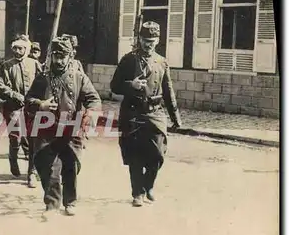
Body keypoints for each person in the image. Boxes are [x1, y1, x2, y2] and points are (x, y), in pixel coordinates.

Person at [25, 36, 101, 217]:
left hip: (71, 129)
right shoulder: (42, 78)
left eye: (62, 56)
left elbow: (94, 99)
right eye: (55, 56)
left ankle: (70, 202)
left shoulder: (79, 78)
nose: (58, 61)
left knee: (70, 166)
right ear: (51, 56)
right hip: (46, 130)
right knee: (48, 168)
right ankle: (52, 204)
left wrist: (90, 113)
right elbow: (28, 101)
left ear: (70, 57)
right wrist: (40, 104)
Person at [109, 21, 182, 207]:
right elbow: (114, 86)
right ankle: (137, 193)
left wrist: (176, 118)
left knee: (158, 154)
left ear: (158, 40)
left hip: (155, 113)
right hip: (132, 112)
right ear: (139, 39)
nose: (148, 43)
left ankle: (148, 184)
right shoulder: (128, 59)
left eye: (152, 40)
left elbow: (168, 91)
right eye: (145, 39)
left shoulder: (162, 61)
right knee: (135, 155)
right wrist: (130, 85)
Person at [0, 34, 42, 188]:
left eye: (21, 48)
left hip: (31, 108)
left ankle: (32, 172)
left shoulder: (35, 64)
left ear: (27, 49)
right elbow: (1, 85)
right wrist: (14, 95)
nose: (17, 51)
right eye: (15, 48)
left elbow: (42, 83)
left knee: (32, 140)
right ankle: (13, 160)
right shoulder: (6, 65)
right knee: (15, 137)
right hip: (13, 107)